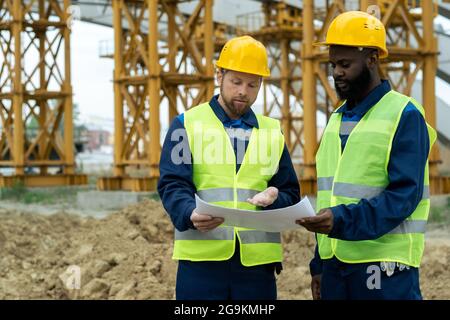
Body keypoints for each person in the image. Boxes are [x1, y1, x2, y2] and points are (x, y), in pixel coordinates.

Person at [296, 11, 436, 300]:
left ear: (372, 59)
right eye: (333, 64)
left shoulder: (404, 115)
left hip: (386, 269)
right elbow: (330, 198)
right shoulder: (336, 120)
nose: (336, 73)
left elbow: (404, 196)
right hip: (336, 267)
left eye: (345, 64)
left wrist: (340, 220)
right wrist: (319, 265)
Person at [158, 35, 300, 300]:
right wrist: (189, 212)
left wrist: (275, 196)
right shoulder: (187, 124)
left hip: (257, 268)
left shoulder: (271, 131)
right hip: (202, 263)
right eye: (236, 82)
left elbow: (290, 191)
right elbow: (172, 184)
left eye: (252, 85)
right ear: (219, 76)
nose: (243, 92)